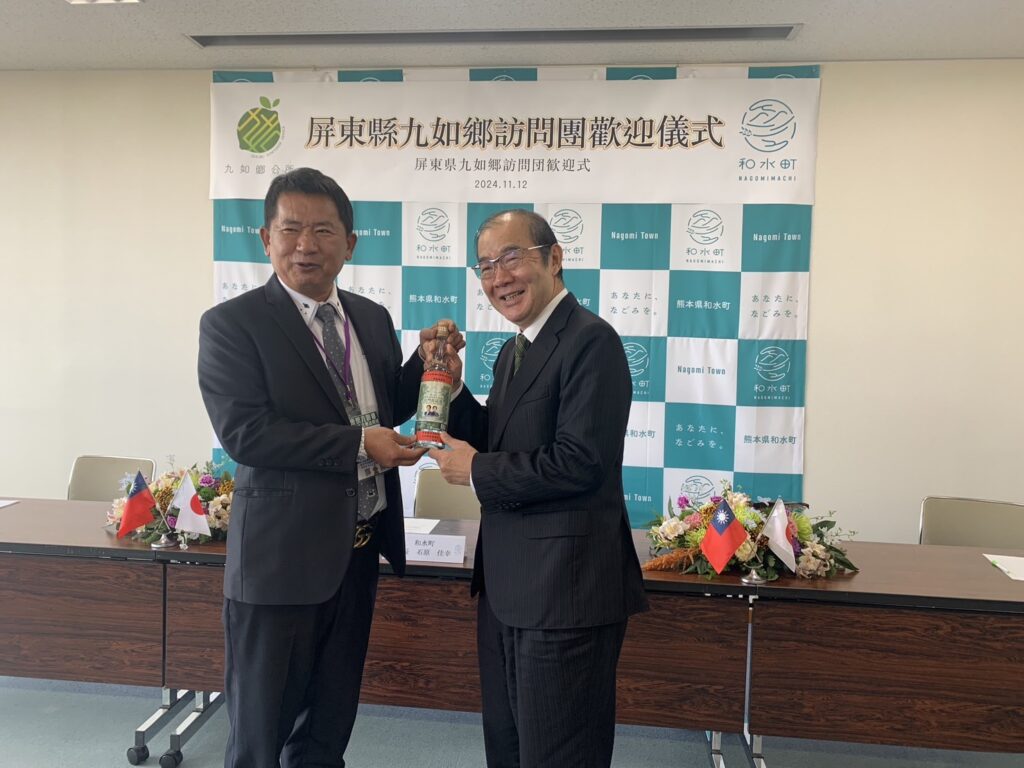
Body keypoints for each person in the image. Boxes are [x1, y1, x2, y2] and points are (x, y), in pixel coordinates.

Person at [198, 167, 431, 768]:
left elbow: (382, 406)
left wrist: (428, 366)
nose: (306, 244)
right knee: (261, 735)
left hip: (357, 554)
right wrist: (360, 445)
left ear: (348, 244)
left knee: (328, 727)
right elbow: (247, 434)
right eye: (291, 229)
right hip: (280, 562)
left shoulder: (370, 318)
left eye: (324, 230)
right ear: (266, 238)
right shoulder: (232, 325)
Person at [425, 209, 649, 768]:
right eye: (485, 266)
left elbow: (581, 463)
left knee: (559, 754)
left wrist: (476, 472)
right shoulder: (514, 350)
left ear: (554, 258)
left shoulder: (591, 340)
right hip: (508, 589)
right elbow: (502, 440)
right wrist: (454, 392)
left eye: (511, 258)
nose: (498, 277)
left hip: (565, 594)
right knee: (509, 748)